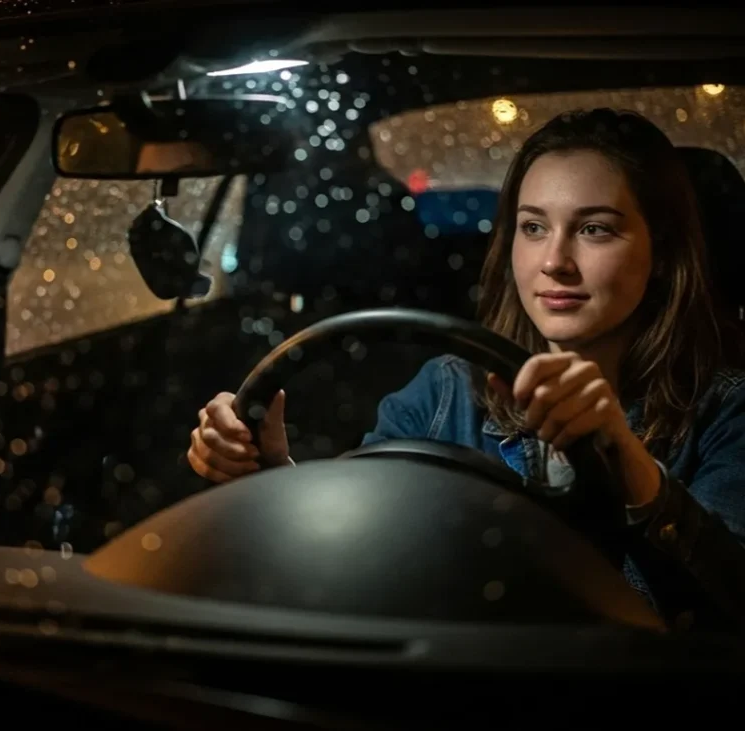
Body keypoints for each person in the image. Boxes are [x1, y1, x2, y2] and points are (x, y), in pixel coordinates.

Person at [186, 108, 745, 628]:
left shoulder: (727, 411)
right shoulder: (447, 390)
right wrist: (268, 476)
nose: (554, 261)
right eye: (533, 227)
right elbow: (361, 563)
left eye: (594, 228)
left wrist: (627, 461)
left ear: (664, 250)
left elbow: (728, 611)